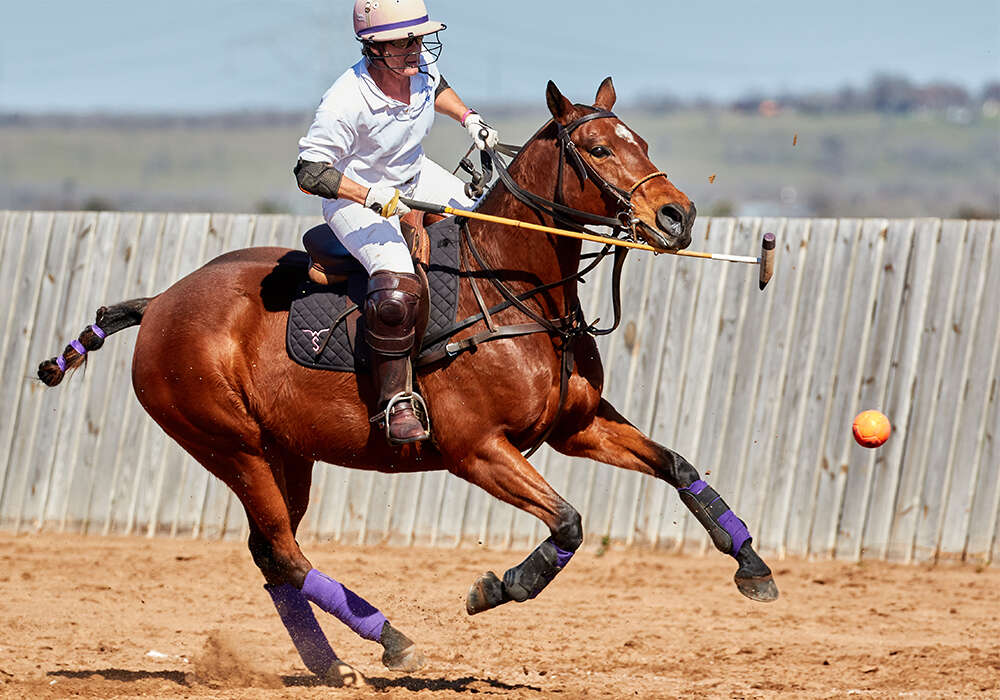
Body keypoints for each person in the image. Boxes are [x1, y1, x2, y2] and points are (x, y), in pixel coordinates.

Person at [294, 0, 500, 445]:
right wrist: (369, 195)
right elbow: (309, 173)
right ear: (373, 47)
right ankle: (395, 401)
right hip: (356, 196)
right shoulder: (345, 99)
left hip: (415, 174)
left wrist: (469, 119)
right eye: (405, 41)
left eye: (419, 37)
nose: (417, 48)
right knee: (397, 280)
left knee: (488, 222)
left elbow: (438, 85)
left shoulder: (416, 62)